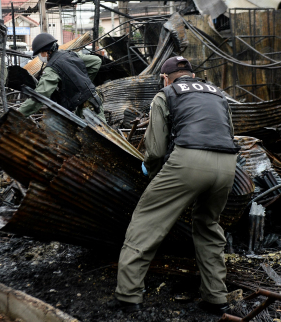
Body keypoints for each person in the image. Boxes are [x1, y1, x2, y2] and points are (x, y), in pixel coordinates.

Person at [113, 56, 239, 316]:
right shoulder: (218, 94)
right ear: (193, 76)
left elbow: (157, 148)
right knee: (208, 226)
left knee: (146, 223)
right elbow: (230, 132)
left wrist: (149, 164)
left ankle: (128, 297)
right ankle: (216, 298)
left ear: (165, 77)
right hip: (228, 165)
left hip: (189, 161)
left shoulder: (166, 93)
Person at [18, 33, 105, 121]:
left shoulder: (52, 69)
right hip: (91, 103)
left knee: (100, 135)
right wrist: (83, 84)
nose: (39, 57)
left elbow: (40, 95)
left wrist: (19, 114)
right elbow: (96, 61)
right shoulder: (69, 54)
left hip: (88, 110)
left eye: (40, 53)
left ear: (48, 51)